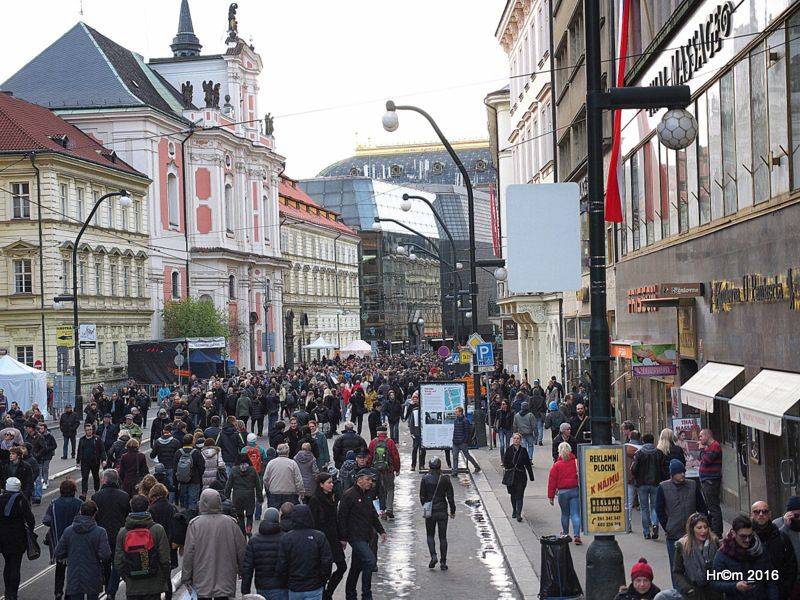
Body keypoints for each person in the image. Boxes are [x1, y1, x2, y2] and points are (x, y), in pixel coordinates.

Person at [181, 488, 247, 600]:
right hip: (225, 577)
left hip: (202, 576)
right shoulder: (231, 523)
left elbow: (189, 554)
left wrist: (186, 577)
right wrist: (242, 570)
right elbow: (241, 550)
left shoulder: (195, 525)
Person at [339, 470, 388, 600]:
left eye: (371, 480)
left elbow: (372, 514)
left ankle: (350, 595)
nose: (370, 483)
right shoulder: (349, 495)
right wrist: (343, 538)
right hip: (355, 536)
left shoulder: (367, 495)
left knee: (356, 566)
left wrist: (381, 530)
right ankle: (366, 595)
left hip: (365, 535)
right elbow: (342, 517)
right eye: (368, 480)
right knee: (370, 561)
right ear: (359, 480)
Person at [656, 459, 708, 579]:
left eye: (683, 472)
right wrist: (667, 526)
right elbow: (659, 510)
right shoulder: (663, 487)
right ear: (673, 474)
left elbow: (702, 506)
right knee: (676, 567)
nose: (683, 475)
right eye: (679, 473)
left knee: (694, 566)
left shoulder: (692, 485)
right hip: (673, 533)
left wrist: (702, 525)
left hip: (691, 533)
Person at [115, 494, 171, 600]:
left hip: (133, 586)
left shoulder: (123, 533)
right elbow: (165, 559)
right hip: (153, 585)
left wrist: (127, 577)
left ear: (131, 508)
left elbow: (118, 563)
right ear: (148, 507)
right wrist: (163, 577)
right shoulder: (157, 530)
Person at [54, 500, 111, 600]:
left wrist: (69, 554)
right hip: (93, 575)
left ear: (80, 512)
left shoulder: (69, 531)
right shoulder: (100, 532)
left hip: (75, 575)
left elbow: (58, 552)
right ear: (94, 514)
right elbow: (105, 555)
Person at [712, 514, 779, 599]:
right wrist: (735, 586)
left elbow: (771, 580)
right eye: (743, 536)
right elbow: (715, 583)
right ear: (733, 533)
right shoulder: (723, 554)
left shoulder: (761, 550)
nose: (747, 540)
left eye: (750, 536)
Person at [276, 504, 332, 600]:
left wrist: (286, 581)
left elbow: (282, 564)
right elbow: (326, 562)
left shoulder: (287, 538)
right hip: (314, 586)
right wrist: (323, 579)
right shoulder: (319, 537)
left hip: (294, 587)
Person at [91, 469, 130, 600]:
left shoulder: (96, 497)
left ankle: (108, 587)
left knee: (105, 563)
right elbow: (127, 516)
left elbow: (94, 518)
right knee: (117, 563)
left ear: (105, 480)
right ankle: (111, 590)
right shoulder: (124, 496)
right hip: (119, 535)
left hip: (103, 535)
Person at [308, 473, 347, 600]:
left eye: (332, 482)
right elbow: (313, 522)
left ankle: (327, 593)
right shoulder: (315, 500)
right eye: (329, 482)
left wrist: (342, 537)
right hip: (322, 541)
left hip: (334, 538)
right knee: (325, 570)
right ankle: (324, 595)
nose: (331, 485)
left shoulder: (332, 497)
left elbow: (336, 519)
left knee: (342, 567)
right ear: (321, 484)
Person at [43, 479, 83, 600]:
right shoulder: (79, 503)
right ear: (74, 490)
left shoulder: (54, 503)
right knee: (73, 570)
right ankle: (69, 593)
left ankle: (58, 592)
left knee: (59, 569)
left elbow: (46, 520)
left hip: (59, 542)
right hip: (75, 543)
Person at [751, 500, 797, 599]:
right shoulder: (745, 537)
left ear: (770, 514)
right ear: (751, 515)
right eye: (757, 512)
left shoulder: (781, 537)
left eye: (764, 511)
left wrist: (785, 589)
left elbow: (791, 565)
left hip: (778, 592)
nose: (761, 514)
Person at [0, 477, 35, 600]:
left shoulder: (0, 498)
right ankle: (13, 594)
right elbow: (30, 519)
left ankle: (7, 591)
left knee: (7, 564)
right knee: (15, 565)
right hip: (18, 538)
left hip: (3, 538)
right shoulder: (21, 500)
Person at [241, 507, 287, 600]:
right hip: (281, 586)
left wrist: (245, 590)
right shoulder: (285, 538)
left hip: (262, 586)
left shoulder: (254, 540)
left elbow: (248, 568)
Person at [673, 512, 721, 600]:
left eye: (705, 527)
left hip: (713, 591)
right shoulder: (682, 546)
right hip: (694, 593)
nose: (703, 531)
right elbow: (677, 571)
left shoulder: (714, 543)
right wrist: (687, 589)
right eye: (699, 528)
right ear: (692, 529)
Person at [419, 457, 456, 570]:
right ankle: (443, 562)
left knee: (430, 535)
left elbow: (422, 496)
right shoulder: (445, 478)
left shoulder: (425, 478)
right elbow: (450, 497)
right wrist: (452, 510)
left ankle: (433, 556)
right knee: (442, 537)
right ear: (440, 466)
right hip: (442, 510)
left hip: (429, 509)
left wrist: (426, 506)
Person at [632, 433, 668, 540]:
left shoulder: (639, 453)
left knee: (644, 508)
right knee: (654, 506)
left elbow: (634, 469)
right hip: (656, 483)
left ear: (643, 441)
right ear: (653, 441)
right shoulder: (659, 453)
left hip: (642, 484)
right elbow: (664, 469)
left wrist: (636, 477)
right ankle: (655, 524)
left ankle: (646, 532)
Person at [147, 484, 178, 600]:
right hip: (170, 546)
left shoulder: (151, 509)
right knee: (167, 577)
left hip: (155, 547)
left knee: (155, 577)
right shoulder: (172, 508)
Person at [548, 440, 581, 543]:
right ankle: (577, 535)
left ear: (559, 452)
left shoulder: (556, 465)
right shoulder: (576, 462)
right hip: (575, 490)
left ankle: (566, 533)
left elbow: (552, 482)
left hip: (562, 492)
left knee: (565, 514)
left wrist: (551, 496)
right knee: (575, 514)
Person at [225, 453, 264, 536]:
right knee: (249, 515)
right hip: (249, 495)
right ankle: (248, 529)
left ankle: (242, 532)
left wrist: (226, 497)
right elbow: (258, 485)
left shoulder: (234, 470)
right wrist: (260, 498)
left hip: (237, 495)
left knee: (240, 516)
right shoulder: (252, 470)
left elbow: (228, 485)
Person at [367, 426, 400, 519]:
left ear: (377, 433)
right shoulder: (390, 442)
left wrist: (369, 468)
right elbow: (395, 457)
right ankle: (389, 509)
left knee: (380, 491)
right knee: (390, 489)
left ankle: (382, 511)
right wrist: (397, 469)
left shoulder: (373, 442)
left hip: (376, 471)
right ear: (386, 433)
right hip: (388, 470)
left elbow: (369, 456)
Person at [503, 432, 535, 524]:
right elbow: (505, 462)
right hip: (511, 476)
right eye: (514, 438)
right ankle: (514, 510)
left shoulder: (523, 450)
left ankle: (518, 514)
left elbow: (527, 464)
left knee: (520, 495)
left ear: (520, 440)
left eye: (518, 439)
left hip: (521, 476)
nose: (516, 440)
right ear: (512, 440)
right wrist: (510, 466)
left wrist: (531, 476)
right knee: (513, 494)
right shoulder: (509, 450)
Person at [263, 443, 305, 508]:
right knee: (290, 514)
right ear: (288, 452)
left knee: (274, 513)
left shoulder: (271, 463)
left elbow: (265, 479)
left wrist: (269, 487)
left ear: (277, 452)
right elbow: (298, 480)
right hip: (289, 493)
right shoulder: (292, 463)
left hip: (275, 492)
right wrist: (301, 492)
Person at [698, 429, 723, 537]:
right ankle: (715, 529)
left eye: (701, 436)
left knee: (713, 507)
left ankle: (717, 532)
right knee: (710, 506)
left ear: (707, 436)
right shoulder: (709, 447)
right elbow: (702, 459)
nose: (699, 439)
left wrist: (702, 450)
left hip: (711, 480)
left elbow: (707, 460)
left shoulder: (715, 446)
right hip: (707, 479)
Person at [773, 495, 800, 591]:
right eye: (796, 516)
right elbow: (774, 544)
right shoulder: (777, 524)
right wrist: (785, 527)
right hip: (788, 577)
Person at [174, 434, 204, 509]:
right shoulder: (196, 452)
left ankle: (184, 517)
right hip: (195, 480)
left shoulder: (178, 452)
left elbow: (175, 468)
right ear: (192, 442)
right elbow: (202, 467)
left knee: (184, 501)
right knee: (193, 501)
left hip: (182, 480)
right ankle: (191, 517)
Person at [77, 423, 105, 497]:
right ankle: (84, 493)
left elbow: (102, 450)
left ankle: (97, 491)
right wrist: (78, 461)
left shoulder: (97, 439)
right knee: (84, 477)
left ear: (92, 430)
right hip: (85, 462)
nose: (89, 431)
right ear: (85, 431)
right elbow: (79, 450)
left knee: (96, 476)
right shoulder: (82, 439)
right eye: (87, 430)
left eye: (90, 430)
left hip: (95, 461)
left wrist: (103, 460)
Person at [451, 406, 480, 475]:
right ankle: (455, 472)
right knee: (455, 456)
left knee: (467, 456)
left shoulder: (465, 420)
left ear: (460, 412)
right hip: (455, 442)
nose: (456, 413)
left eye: (457, 412)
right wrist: (454, 439)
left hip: (462, 442)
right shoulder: (455, 420)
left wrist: (464, 441)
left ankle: (477, 466)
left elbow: (467, 432)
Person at [624, 429, 642, 531]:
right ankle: (647, 526)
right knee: (644, 504)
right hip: (641, 478)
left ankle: (628, 524)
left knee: (629, 502)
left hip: (629, 477)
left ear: (630, 437)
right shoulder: (643, 449)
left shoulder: (625, 448)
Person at [33, 421, 56, 492]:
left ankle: (45, 482)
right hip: (40, 455)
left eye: (42, 428)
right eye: (40, 429)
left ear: (45, 429)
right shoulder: (38, 436)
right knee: (40, 469)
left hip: (48, 455)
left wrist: (47, 449)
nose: (41, 430)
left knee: (45, 469)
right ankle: (42, 480)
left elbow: (54, 445)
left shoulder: (50, 436)